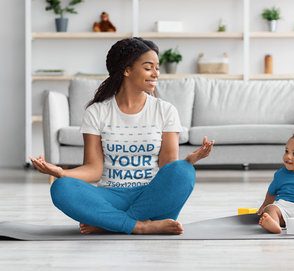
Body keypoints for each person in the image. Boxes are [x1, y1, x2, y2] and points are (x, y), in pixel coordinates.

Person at [30, 37, 214, 235]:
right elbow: (93, 169)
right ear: (127, 70)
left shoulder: (166, 111)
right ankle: (140, 226)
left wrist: (189, 161)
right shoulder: (97, 112)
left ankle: (109, 222)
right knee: (61, 188)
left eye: (157, 68)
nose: (156, 74)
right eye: (148, 67)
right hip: (111, 195)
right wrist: (61, 172)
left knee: (183, 171)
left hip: (151, 197)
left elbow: (168, 167)